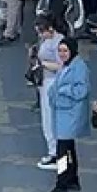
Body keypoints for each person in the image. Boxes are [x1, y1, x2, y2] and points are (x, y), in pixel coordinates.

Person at [49, 37, 90, 192]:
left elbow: (82, 90)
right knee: (69, 149)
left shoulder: (79, 67)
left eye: (65, 50)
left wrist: (64, 91)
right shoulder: (67, 65)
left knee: (62, 151)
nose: (62, 54)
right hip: (63, 112)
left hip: (70, 113)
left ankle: (62, 182)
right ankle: (72, 179)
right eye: (60, 51)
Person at [31, 16, 65, 169]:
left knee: (51, 119)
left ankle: (56, 154)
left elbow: (62, 65)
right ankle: (55, 154)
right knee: (48, 120)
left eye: (41, 32)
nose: (40, 35)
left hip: (53, 82)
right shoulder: (47, 40)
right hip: (45, 81)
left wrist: (42, 64)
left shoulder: (58, 42)